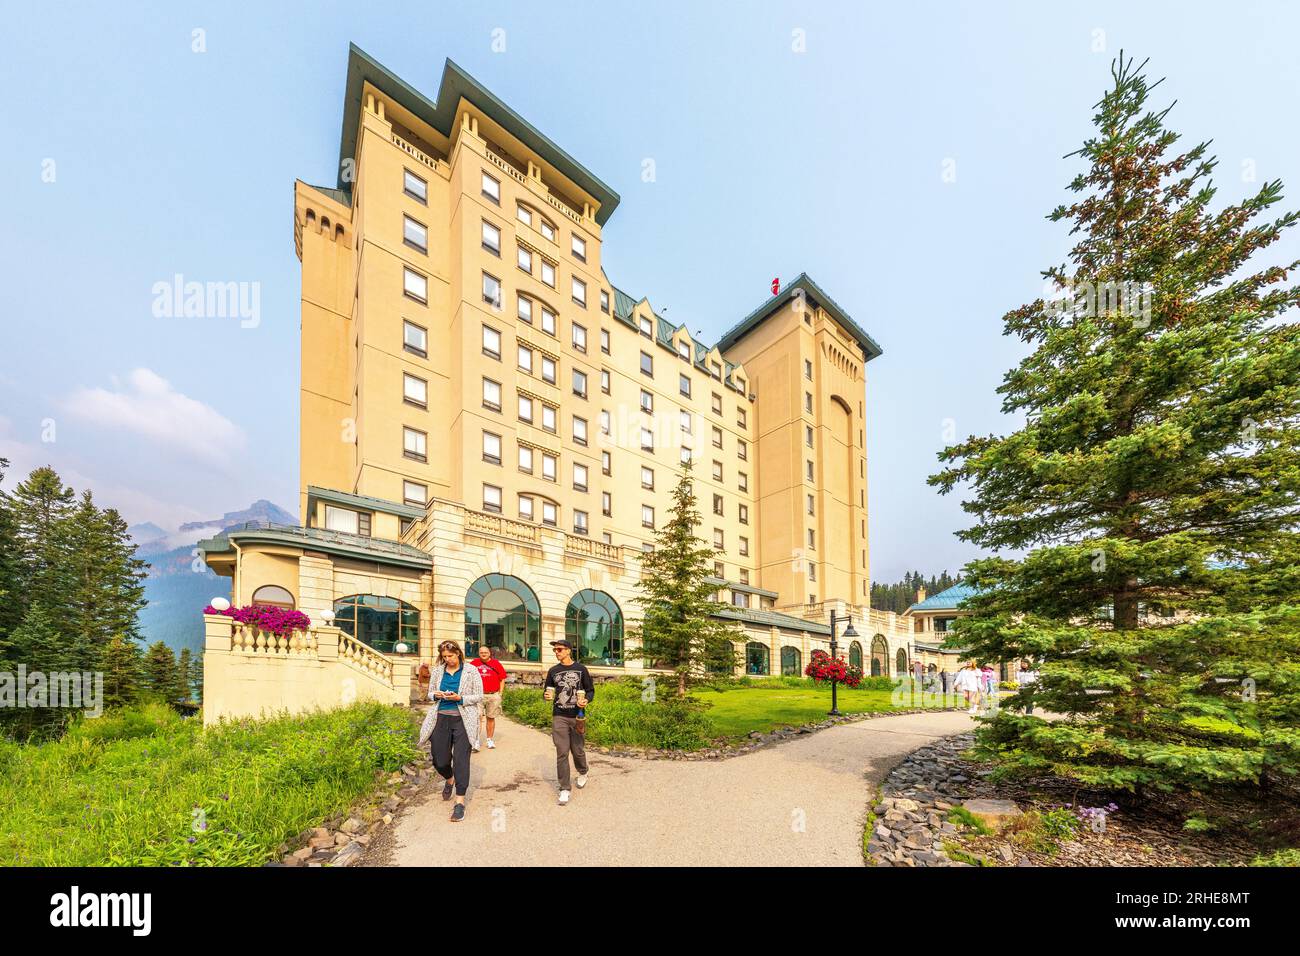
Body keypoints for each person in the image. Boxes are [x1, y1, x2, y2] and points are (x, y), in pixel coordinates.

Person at [416, 641, 483, 822]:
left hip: (463, 719)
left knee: (461, 760)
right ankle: (450, 778)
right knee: (440, 760)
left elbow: (479, 696)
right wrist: (436, 695)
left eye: (451, 656)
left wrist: (460, 698)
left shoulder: (471, 671)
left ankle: (460, 802)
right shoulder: (438, 671)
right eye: (444, 657)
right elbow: (430, 693)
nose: (448, 659)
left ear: (458, 654)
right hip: (441, 717)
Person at [543, 639, 594, 806]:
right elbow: (548, 690)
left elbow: (590, 690)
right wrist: (546, 695)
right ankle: (564, 788)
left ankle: (583, 771)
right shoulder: (553, 671)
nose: (556, 652)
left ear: (568, 651)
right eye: (555, 650)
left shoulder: (581, 669)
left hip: (577, 715)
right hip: (559, 715)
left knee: (577, 750)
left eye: (559, 649)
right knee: (562, 751)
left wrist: (586, 699)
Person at [470, 644, 508, 748]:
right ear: (479, 653)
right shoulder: (474, 663)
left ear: (489, 653)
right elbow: (468, 677)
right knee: (477, 718)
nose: (483, 654)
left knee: (491, 718)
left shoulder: (496, 663)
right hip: (478, 695)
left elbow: (502, 678)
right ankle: (476, 741)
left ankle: (489, 740)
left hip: (493, 695)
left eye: (485, 652)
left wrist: (500, 693)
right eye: (481, 652)